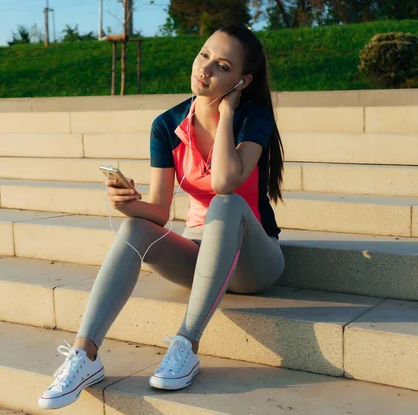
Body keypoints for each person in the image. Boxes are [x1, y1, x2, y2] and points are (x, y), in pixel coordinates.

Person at [38, 23, 285, 410]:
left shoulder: (254, 118)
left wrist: (227, 114)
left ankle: (186, 344)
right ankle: (85, 355)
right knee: (134, 227)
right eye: (204, 55)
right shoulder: (167, 125)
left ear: (242, 80)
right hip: (200, 255)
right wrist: (125, 204)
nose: (205, 69)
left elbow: (225, 181)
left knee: (225, 202)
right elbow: (158, 211)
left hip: (254, 260)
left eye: (222, 66)